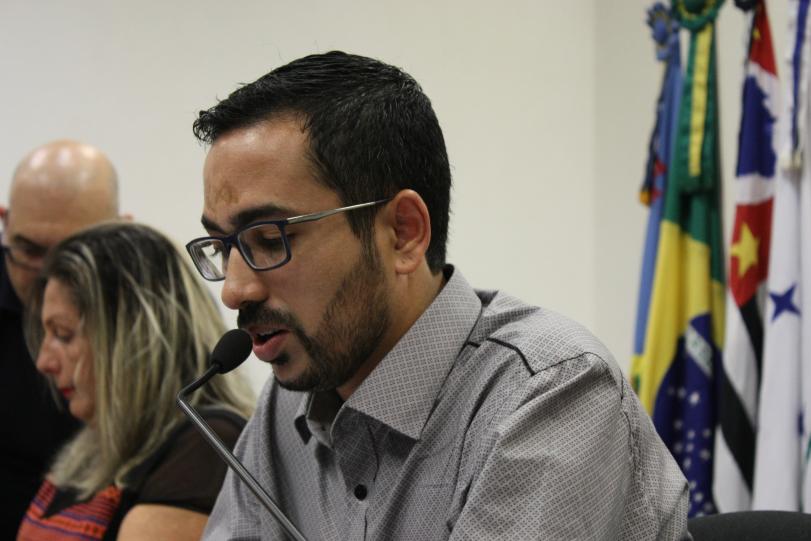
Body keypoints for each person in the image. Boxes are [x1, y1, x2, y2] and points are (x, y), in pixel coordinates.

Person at [189, 51, 690, 540]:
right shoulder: (290, 401)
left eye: (269, 239)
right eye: (222, 247)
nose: (234, 290)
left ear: (403, 233)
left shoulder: (552, 390)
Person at [16, 222, 254, 540]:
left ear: (131, 338)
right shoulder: (98, 442)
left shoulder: (204, 442)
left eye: (63, 334)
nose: (44, 362)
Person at [0, 140, 122, 538]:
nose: (47, 277)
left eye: (73, 254)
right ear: (5, 223)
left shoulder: (153, 316)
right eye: (30, 250)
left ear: (121, 234)